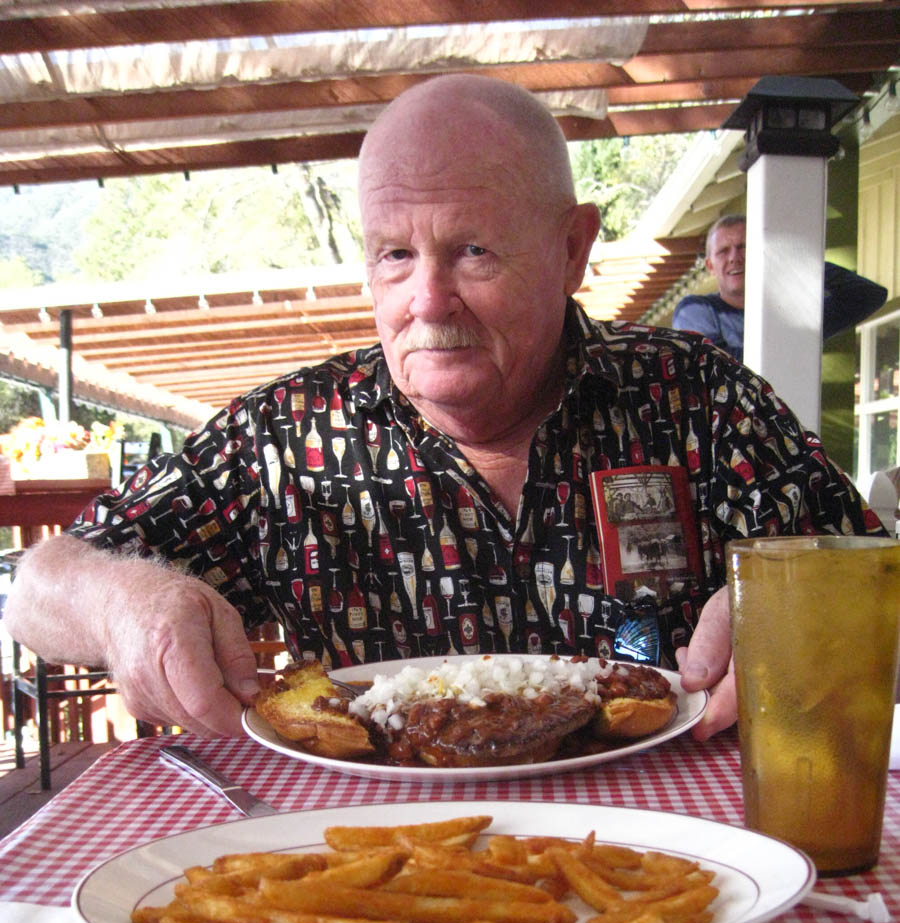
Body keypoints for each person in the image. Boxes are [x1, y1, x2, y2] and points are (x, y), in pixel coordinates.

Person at [3, 76, 884, 745]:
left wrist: (822, 619)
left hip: (690, 855)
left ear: (572, 248)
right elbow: (37, 591)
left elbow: (879, 573)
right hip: (389, 873)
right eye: (394, 254)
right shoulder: (286, 436)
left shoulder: (702, 398)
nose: (427, 300)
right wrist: (125, 602)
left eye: (472, 250)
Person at [671, 214, 887, 361]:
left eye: (744, 246)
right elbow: (714, 363)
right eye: (723, 251)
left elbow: (869, 295)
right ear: (710, 266)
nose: (735, 258)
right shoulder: (694, 310)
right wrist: (793, 348)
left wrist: (796, 263)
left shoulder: (795, 311)